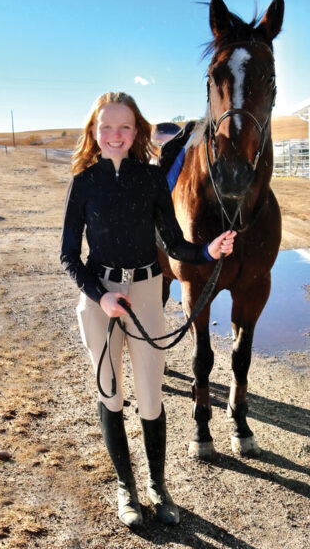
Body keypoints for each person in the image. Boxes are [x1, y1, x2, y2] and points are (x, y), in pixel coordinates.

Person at [60, 92, 236, 528]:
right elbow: (68, 255)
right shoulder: (83, 182)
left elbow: (174, 244)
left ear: (136, 131)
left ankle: (157, 486)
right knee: (111, 393)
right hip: (100, 298)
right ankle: (127, 488)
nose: (115, 135)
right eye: (106, 127)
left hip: (145, 293)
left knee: (151, 396)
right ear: (94, 132)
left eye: (124, 127)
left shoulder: (151, 179)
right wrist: (99, 295)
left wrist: (207, 251)